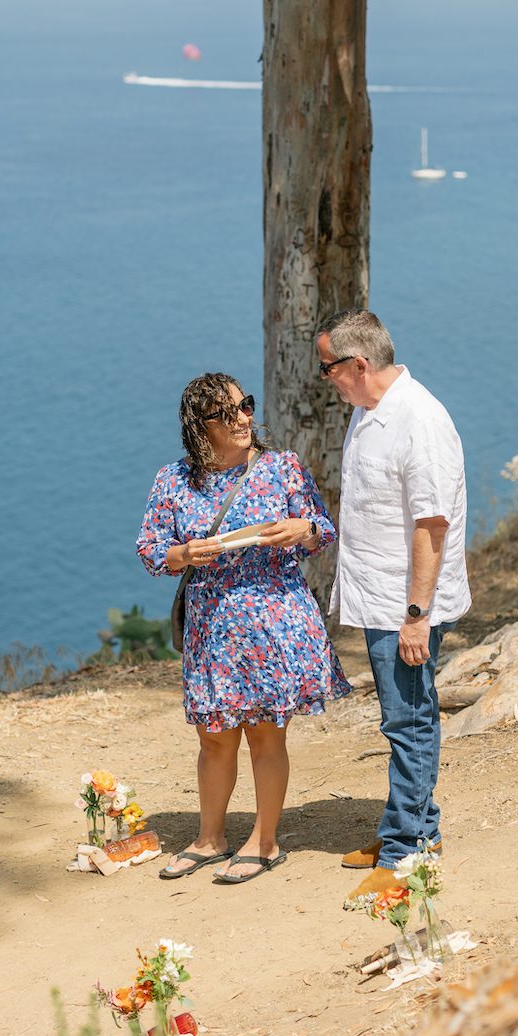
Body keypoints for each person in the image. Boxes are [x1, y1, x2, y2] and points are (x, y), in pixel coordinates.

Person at [137, 372, 350, 884]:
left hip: (274, 618)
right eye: (225, 413)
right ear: (199, 427)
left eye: (245, 406)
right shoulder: (174, 479)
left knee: (264, 734)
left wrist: (302, 529)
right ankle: (210, 838)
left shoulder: (281, 469)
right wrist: (184, 553)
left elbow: (321, 528)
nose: (241, 419)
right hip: (211, 628)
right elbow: (150, 551)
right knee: (213, 736)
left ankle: (266, 841)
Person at [315, 309, 471, 899]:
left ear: (359, 364)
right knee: (404, 716)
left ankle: (409, 852)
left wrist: (416, 616)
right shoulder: (369, 408)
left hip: (406, 604)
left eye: (329, 367)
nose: (325, 378)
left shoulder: (418, 421)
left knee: (407, 720)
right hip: (379, 594)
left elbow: (431, 524)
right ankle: (409, 829)